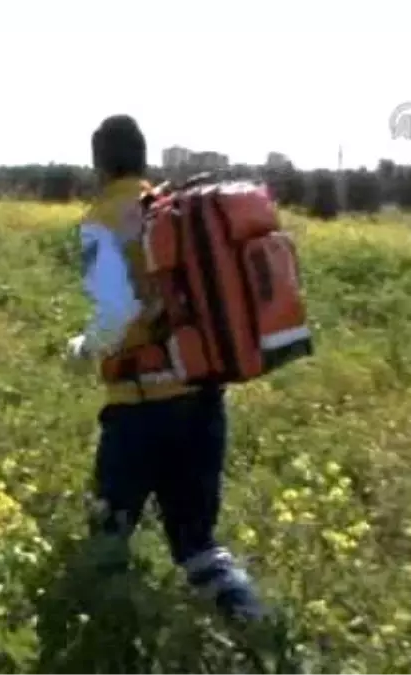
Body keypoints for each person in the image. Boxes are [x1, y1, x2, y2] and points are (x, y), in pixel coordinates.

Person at [65, 114, 265, 623]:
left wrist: (82, 347)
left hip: (139, 408)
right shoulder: (171, 211)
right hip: (201, 394)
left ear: (99, 163)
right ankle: (258, 629)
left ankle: (101, 636)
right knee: (197, 544)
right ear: (142, 157)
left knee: (109, 533)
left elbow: (116, 311)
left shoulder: (104, 219)